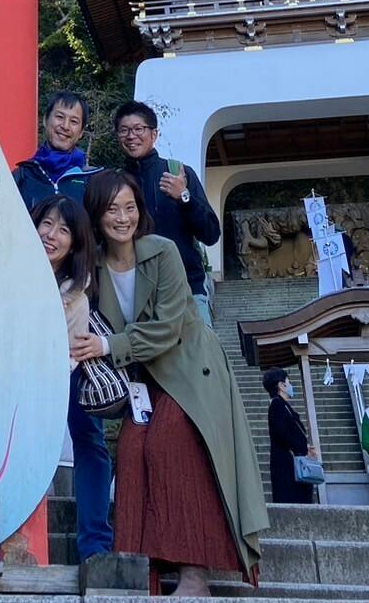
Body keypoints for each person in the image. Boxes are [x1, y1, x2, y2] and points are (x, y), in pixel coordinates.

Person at [74, 170, 266, 598]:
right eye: (112, 209)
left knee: (168, 443)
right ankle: (148, 569)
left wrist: (108, 345)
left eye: (130, 207)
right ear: (96, 215)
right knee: (131, 450)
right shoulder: (94, 267)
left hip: (188, 368)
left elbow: (170, 326)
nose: (122, 217)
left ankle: (194, 574)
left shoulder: (161, 251)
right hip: (144, 380)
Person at [32, 194, 112, 562]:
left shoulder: (77, 292)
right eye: (46, 223)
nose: (51, 234)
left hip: (68, 374)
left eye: (63, 230)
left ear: (76, 242)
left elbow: (69, 353)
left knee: (90, 443)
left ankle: (95, 546)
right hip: (17, 377)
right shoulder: (9, 272)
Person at [113, 100, 220, 326]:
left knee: (201, 359)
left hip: (187, 291)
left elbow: (211, 234)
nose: (131, 136)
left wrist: (184, 196)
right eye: (124, 130)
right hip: (135, 298)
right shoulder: (114, 183)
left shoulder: (178, 173)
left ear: (154, 134)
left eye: (138, 129)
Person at [13, 91, 103, 210]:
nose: (65, 126)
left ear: (81, 132)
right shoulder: (22, 176)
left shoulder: (92, 180)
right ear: (45, 120)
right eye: (60, 117)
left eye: (74, 122)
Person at [262, 368, 317, 504]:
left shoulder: (282, 405)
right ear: (281, 385)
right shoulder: (277, 405)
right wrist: (302, 447)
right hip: (288, 465)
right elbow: (282, 433)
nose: (290, 385)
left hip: (290, 461)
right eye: (288, 381)